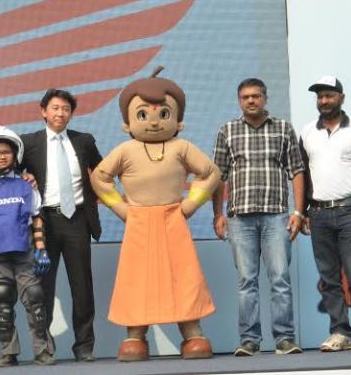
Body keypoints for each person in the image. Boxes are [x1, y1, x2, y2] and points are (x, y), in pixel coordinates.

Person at [90, 67, 220, 361]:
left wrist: (191, 204)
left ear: (178, 120)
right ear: (127, 123)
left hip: (174, 219)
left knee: (183, 276)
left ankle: (192, 332)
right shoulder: (126, 150)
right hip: (138, 223)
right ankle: (135, 336)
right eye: (142, 114)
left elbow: (210, 173)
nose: (153, 121)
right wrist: (121, 208)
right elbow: (99, 178)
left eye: (163, 114)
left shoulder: (182, 147)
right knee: (137, 279)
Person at [212, 78, 305, 356]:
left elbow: (297, 171)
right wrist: (217, 214)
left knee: (280, 279)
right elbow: (218, 176)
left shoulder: (283, 128)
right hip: (239, 218)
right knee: (246, 281)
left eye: (255, 96)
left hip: (276, 215)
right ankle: (249, 340)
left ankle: (284, 339)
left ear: (265, 98)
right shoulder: (227, 130)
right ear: (239, 101)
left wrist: (298, 212)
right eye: (245, 97)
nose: (251, 101)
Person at [20, 89, 102, 362]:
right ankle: (44, 346)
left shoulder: (84, 141)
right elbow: (3, 166)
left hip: (77, 219)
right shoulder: (29, 142)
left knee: (82, 285)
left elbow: (102, 171)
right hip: (44, 222)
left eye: (66, 109)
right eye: (55, 108)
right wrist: (23, 176)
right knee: (43, 287)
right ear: (43, 111)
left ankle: (84, 346)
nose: (60, 113)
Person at [300, 75, 351, 352]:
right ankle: (339, 332)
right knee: (329, 278)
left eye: (329, 95)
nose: (324, 101)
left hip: (350, 211)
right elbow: (303, 176)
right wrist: (303, 211)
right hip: (318, 213)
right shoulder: (307, 132)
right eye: (320, 96)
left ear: (341, 98)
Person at [0, 126, 55, 367]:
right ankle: (9, 352)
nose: (2, 156)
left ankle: (42, 350)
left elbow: (37, 219)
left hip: (24, 252)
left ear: (15, 155)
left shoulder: (27, 186)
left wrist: (41, 249)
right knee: (3, 303)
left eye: (7, 152)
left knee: (35, 300)